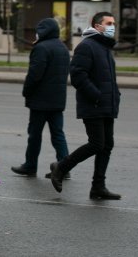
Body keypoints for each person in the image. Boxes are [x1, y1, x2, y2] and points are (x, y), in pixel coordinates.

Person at [49, 11, 122, 200]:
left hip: (107, 104)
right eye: (108, 23)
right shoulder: (87, 46)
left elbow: (108, 78)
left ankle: (98, 187)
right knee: (96, 144)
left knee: (107, 145)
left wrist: (115, 96)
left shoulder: (104, 47)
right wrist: (96, 96)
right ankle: (61, 167)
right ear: (97, 26)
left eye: (113, 23)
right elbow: (78, 76)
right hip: (94, 104)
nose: (112, 26)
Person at [11, 18, 70, 179]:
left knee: (34, 135)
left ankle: (30, 165)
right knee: (58, 134)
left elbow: (34, 75)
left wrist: (26, 92)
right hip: (58, 100)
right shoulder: (63, 48)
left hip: (40, 101)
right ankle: (64, 167)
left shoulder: (41, 48)